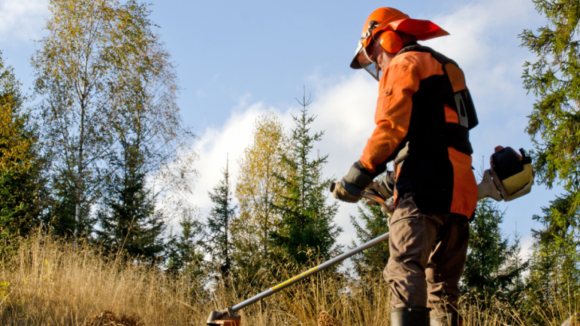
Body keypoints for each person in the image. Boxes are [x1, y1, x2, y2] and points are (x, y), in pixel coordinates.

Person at [333, 7, 478, 326]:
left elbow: (391, 128)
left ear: (387, 38)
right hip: (461, 191)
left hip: (424, 184)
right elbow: (442, 130)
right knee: (441, 287)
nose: (378, 65)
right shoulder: (448, 66)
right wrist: (389, 182)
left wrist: (357, 177)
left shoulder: (403, 63)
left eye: (375, 56)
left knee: (404, 268)